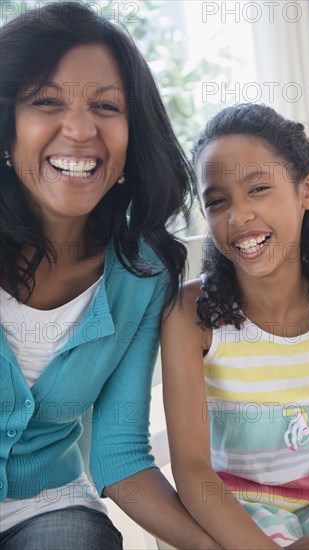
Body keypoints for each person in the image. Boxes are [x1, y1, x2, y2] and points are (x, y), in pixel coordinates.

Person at [0, 3, 221, 549]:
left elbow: (120, 456)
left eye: (106, 106)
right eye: (46, 102)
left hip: (47, 505)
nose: (79, 129)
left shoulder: (142, 272)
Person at [161, 103, 309, 550]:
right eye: (217, 201)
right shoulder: (189, 314)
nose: (238, 216)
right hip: (239, 511)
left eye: (258, 188)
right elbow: (193, 469)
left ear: (307, 188)